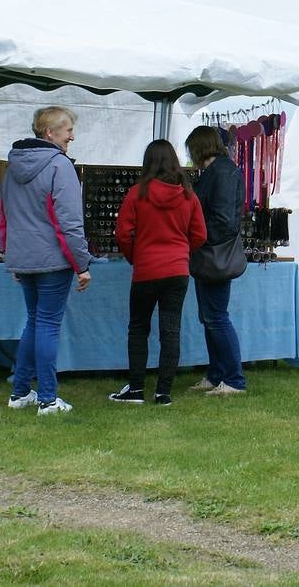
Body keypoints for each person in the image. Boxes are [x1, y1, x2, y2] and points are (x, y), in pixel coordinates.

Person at [0, 106, 92, 415]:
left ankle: (21, 392)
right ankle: (48, 399)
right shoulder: (60, 166)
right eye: (68, 130)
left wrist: (10, 256)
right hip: (53, 259)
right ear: (50, 133)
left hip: (25, 257)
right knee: (48, 325)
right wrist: (82, 264)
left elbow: (5, 216)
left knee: (34, 323)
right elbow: (69, 222)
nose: (72, 136)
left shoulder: (13, 166)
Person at [110, 140, 207, 406]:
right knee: (171, 331)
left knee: (139, 328)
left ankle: (136, 390)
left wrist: (135, 256)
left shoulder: (137, 193)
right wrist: (182, 252)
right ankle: (163, 392)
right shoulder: (189, 195)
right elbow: (200, 235)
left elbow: (122, 233)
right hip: (177, 270)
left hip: (146, 270)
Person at [185, 125, 247, 396]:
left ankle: (234, 379)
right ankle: (216, 374)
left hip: (213, 254)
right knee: (210, 317)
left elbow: (223, 221)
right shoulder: (218, 171)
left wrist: (197, 238)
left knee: (217, 318)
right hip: (208, 254)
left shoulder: (221, 173)